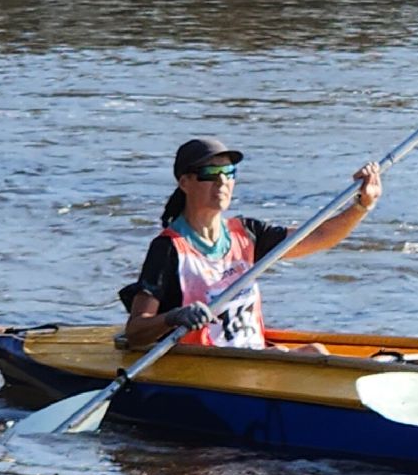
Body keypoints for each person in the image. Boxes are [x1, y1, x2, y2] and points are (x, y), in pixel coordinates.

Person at [121, 137, 380, 350]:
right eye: (211, 173)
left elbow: (319, 236)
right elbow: (135, 332)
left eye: (229, 172)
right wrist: (175, 316)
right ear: (184, 182)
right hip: (204, 369)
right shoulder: (168, 249)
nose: (222, 182)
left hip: (252, 361)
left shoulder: (247, 232)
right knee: (312, 355)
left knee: (314, 351)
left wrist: (361, 205)